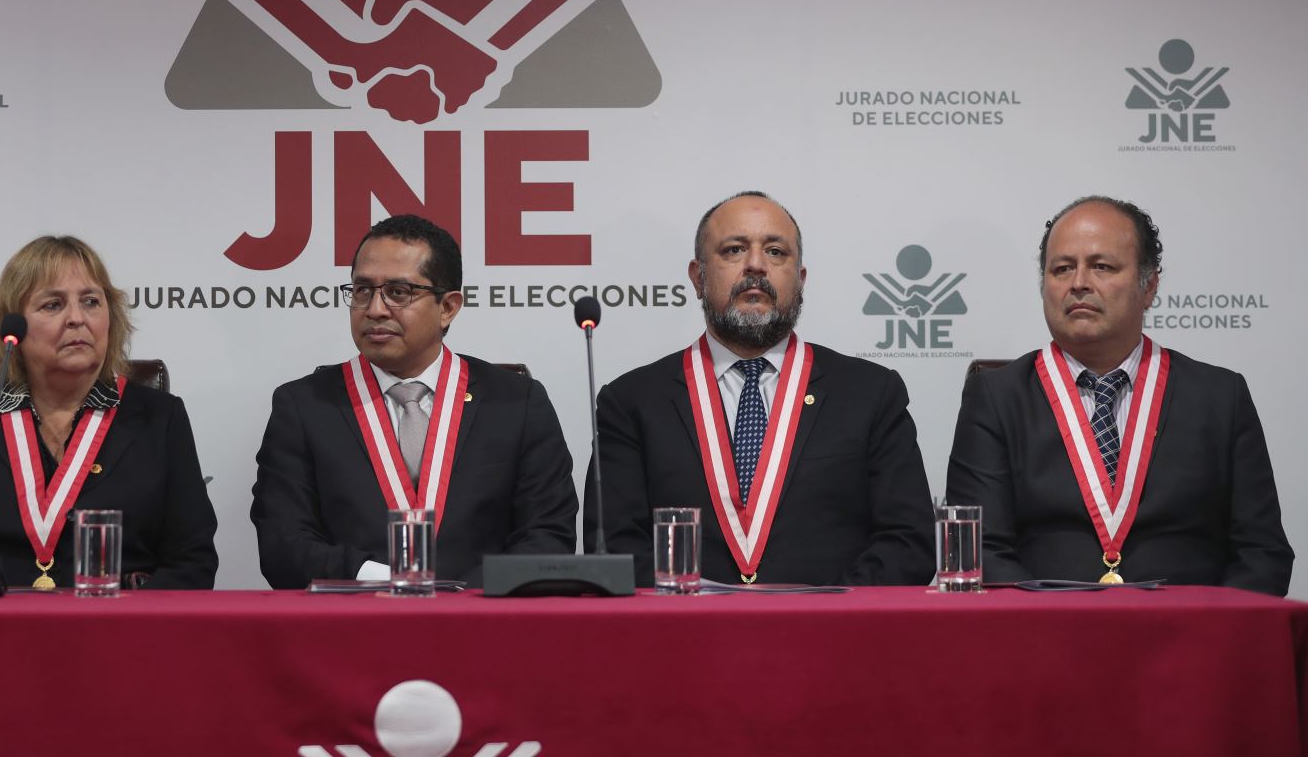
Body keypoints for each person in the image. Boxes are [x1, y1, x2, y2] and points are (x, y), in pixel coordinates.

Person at [946, 196, 1292, 592]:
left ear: (1150, 286)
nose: (1078, 283)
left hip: (1188, 627)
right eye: (1062, 268)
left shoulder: (1219, 397)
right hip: (1044, 625)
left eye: (1102, 266)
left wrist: (1207, 624)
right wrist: (1057, 622)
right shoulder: (996, 397)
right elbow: (980, 552)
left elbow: (1261, 553)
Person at [588, 192, 935, 586]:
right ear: (698, 277)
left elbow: (909, 542)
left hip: (833, 623)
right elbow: (615, 548)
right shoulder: (631, 402)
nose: (756, 265)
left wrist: (828, 609)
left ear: (800, 280)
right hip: (686, 623)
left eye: (775, 252)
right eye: (734, 250)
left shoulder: (871, 393)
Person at [252, 214, 577, 587]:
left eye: (398, 292)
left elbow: (548, 537)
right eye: (362, 290)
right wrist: (386, 579)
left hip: (483, 616)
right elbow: (283, 544)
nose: (375, 309)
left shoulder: (517, 404)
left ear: (448, 307)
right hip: (353, 616)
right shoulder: (304, 406)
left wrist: (459, 595)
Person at [0, 236, 217, 589]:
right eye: (53, 305)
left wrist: (128, 615)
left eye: (91, 301)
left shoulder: (160, 417)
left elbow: (193, 562)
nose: (77, 318)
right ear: (14, 327)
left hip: (117, 617)